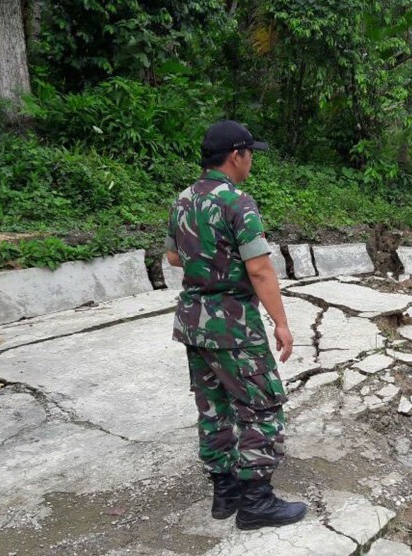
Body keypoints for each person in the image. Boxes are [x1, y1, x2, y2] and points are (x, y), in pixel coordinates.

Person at [165, 120, 307, 530]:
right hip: (233, 325)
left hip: (194, 322)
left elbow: (175, 258)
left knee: (213, 407)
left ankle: (224, 492)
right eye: (249, 155)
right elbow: (260, 269)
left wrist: (206, 260)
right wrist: (281, 323)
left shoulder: (184, 199)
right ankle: (257, 501)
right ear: (235, 156)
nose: (250, 162)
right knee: (262, 406)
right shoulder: (237, 202)